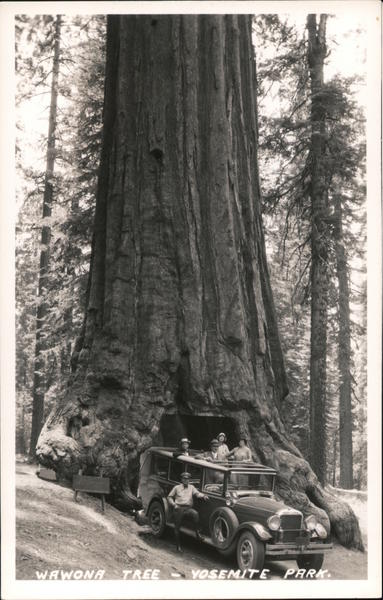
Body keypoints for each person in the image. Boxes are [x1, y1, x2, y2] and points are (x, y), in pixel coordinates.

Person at [167, 472, 209, 552]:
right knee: (177, 527)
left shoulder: (191, 487)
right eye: (184, 479)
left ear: (189, 480)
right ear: (182, 479)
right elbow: (169, 497)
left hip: (188, 508)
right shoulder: (177, 487)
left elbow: (197, 494)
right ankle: (178, 546)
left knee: (195, 514)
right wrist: (174, 504)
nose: (186, 480)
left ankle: (197, 533)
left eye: (187, 479)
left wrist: (204, 496)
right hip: (178, 508)